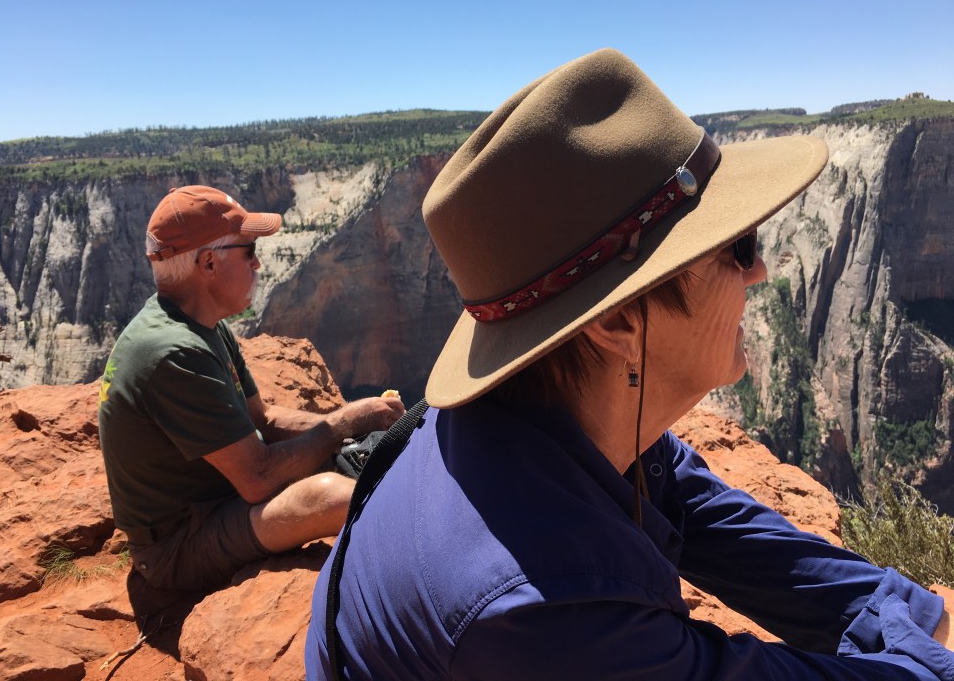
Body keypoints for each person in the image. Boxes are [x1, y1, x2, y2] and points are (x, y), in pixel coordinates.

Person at [305, 50, 954, 680]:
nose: (760, 271)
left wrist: (906, 613)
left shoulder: (550, 410)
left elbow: (695, 506)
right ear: (616, 322)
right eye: (737, 246)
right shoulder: (541, 602)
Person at [98, 185, 405, 592]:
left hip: (218, 501)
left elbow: (263, 418)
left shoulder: (202, 324)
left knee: (373, 448)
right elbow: (258, 478)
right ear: (208, 263)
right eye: (248, 252)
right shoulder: (173, 352)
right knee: (329, 496)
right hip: (178, 548)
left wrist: (351, 428)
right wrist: (340, 425)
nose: (258, 264)